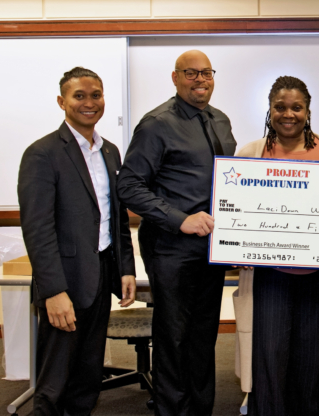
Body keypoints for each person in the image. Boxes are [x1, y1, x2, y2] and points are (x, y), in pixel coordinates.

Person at [117, 50, 236, 416]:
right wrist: (179, 218)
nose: (200, 80)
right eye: (191, 73)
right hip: (171, 248)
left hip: (211, 248)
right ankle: (171, 410)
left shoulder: (220, 120)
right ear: (175, 77)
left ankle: (200, 409)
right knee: (173, 337)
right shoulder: (156, 124)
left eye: (206, 73)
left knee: (203, 336)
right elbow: (130, 186)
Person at [234, 75, 319, 416]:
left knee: (307, 361)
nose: (288, 114)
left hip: (316, 275)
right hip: (269, 275)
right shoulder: (249, 153)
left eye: (297, 107)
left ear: (308, 110)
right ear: (270, 109)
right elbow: (234, 211)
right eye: (280, 107)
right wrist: (237, 246)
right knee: (269, 361)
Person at [18, 67, 136, 415]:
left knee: (87, 377)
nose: (89, 103)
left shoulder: (110, 152)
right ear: (62, 102)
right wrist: (53, 291)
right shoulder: (43, 153)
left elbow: (118, 218)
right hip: (65, 284)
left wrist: (125, 269)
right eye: (79, 96)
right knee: (55, 383)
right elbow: (37, 229)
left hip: (99, 277)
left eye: (95, 95)